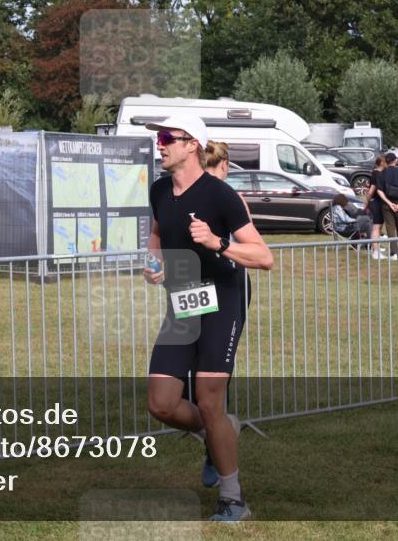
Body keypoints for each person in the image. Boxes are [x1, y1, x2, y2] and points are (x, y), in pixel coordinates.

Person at [142, 115, 273, 522]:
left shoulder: (220, 195)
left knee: (208, 400)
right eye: (159, 138)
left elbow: (263, 256)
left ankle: (233, 499)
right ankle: (216, 433)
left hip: (222, 302)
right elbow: (158, 234)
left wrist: (217, 243)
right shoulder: (160, 188)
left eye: (167, 138)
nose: (159, 145)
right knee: (161, 403)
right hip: (183, 302)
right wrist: (152, 262)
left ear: (191, 145)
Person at [380, 153, 398, 257]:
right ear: (395, 160)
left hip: (387, 203)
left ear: (386, 161)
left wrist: (389, 203)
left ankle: (394, 254)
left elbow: (380, 191)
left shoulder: (382, 173)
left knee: (390, 228)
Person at [365, 155, 392, 260]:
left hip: (376, 202)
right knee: (376, 227)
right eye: (386, 161)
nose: (387, 163)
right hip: (376, 202)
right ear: (381, 163)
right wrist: (367, 203)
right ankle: (375, 252)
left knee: (378, 227)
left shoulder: (378, 173)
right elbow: (371, 191)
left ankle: (375, 250)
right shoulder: (376, 174)